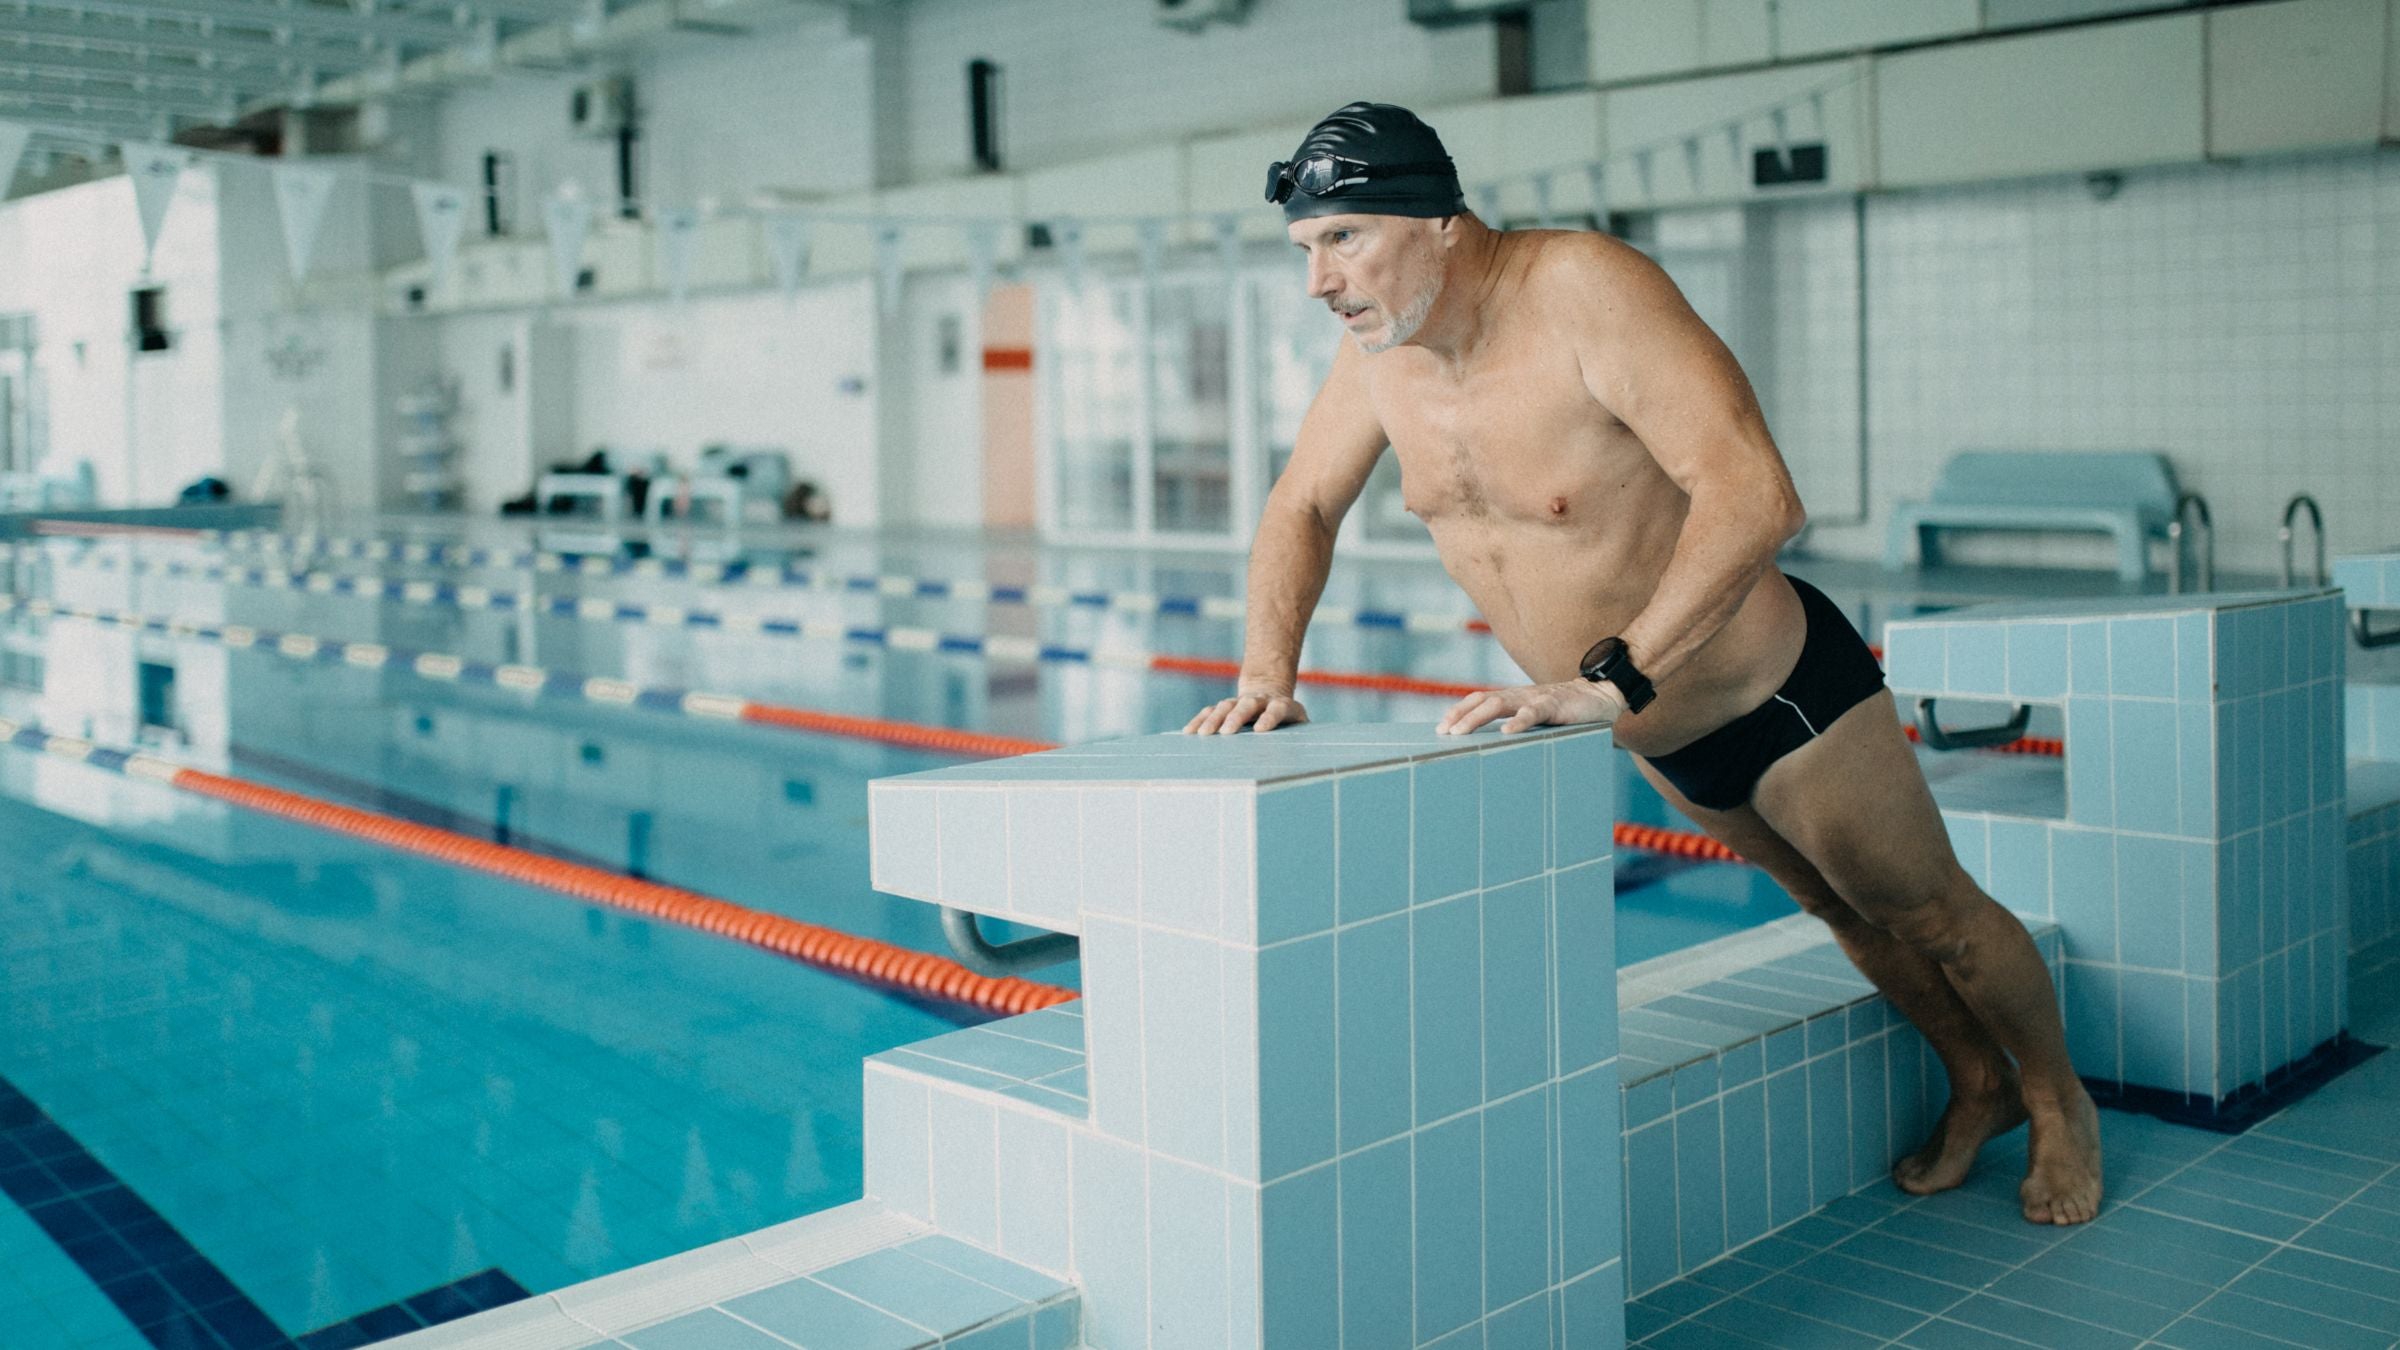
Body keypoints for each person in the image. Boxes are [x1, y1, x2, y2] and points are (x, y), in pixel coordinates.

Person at [1183, 102, 2103, 1226]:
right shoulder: (1382, 353)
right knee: (1843, 913)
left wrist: (1615, 679)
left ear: (1443, 223)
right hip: (1654, 731)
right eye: (1306, 250)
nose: (1320, 280)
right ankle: (1977, 1084)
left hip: (1777, 693)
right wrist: (1267, 673)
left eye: (1346, 239)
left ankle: (2059, 1103)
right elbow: (1302, 504)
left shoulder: (1585, 291)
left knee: (1934, 913)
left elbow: (1757, 492)